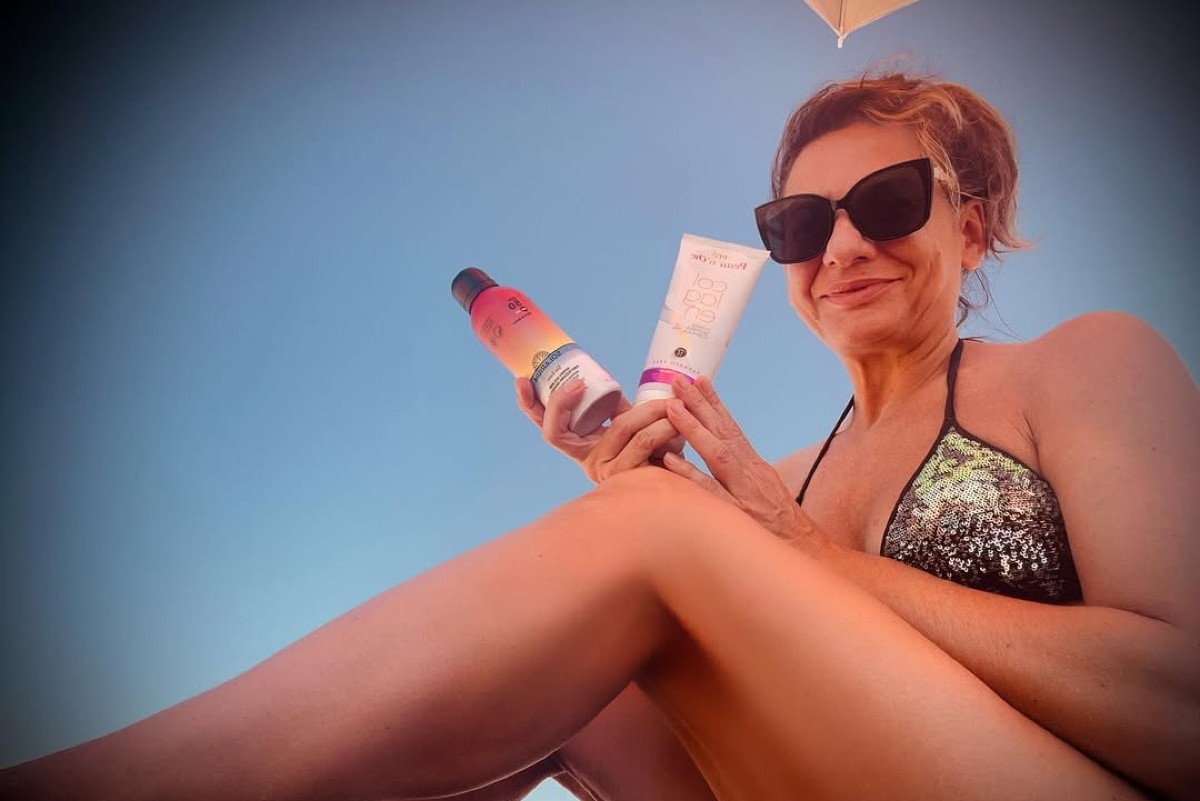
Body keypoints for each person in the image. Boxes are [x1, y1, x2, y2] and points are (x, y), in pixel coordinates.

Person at [2, 67, 1197, 801]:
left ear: (972, 228)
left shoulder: (1074, 367)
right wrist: (631, 491)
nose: (841, 248)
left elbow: (1182, 710)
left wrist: (799, 558)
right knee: (597, 667)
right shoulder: (775, 484)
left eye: (887, 204)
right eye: (799, 224)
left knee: (653, 530)